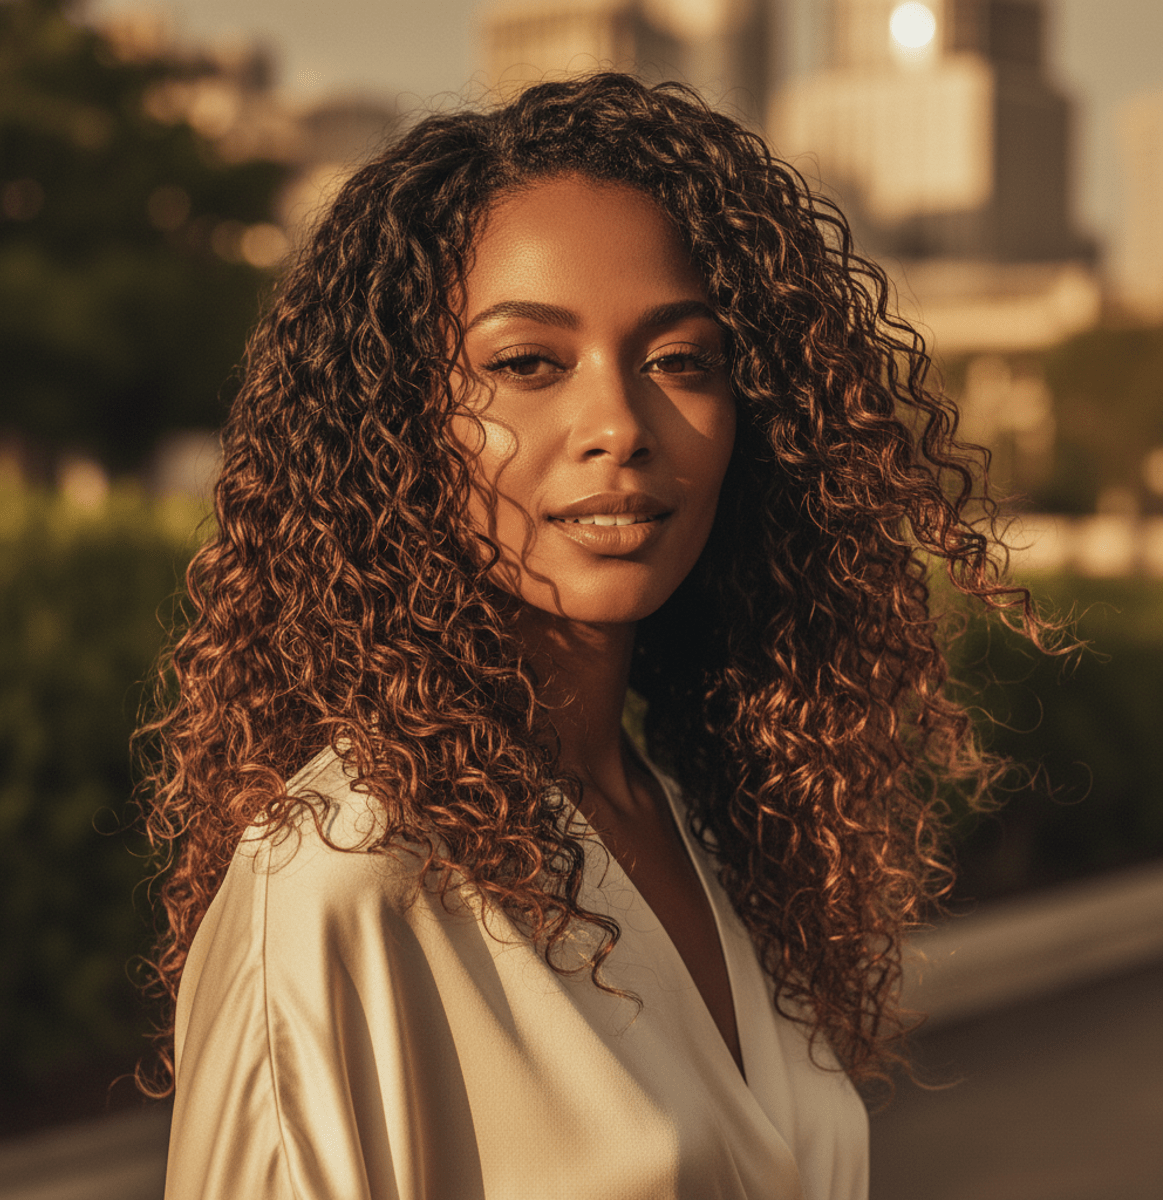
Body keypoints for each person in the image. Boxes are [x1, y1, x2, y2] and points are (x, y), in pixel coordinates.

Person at [139, 73, 1044, 1200]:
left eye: (682, 361)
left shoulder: (704, 826)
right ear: (398, 422)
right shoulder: (342, 885)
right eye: (526, 365)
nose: (619, 425)